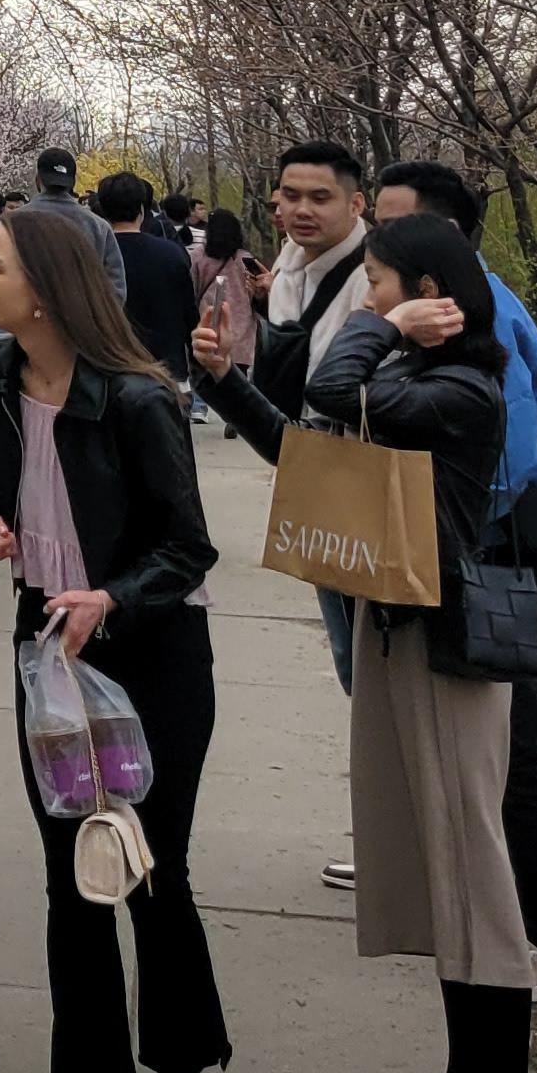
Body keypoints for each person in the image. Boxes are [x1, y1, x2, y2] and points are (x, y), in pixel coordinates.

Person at [0, 203, 228, 1073]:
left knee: (153, 869)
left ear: (46, 288)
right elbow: (11, 478)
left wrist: (112, 597)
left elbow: (187, 548)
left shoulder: (137, 397)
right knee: (71, 877)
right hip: (48, 649)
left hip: (150, 653)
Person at [297, 218, 537, 1073]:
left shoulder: (463, 387)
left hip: (450, 650)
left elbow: (333, 388)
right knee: (436, 867)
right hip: (404, 626)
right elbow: (314, 405)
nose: (367, 298)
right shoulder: (424, 377)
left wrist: (387, 328)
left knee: (472, 873)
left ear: (429, 292)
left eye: (378, 280)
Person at [375, 162, 537, 1004]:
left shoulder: (482, 313)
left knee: (516, 742)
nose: (377, 241)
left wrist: (442, 544)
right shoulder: (461, 304)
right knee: (520, 736)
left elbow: (501, 454)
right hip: (498, 540)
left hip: (508, 544)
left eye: (392, 225)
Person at [205, 141, 373, 861]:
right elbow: (288, 418)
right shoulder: (290, 274)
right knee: (354, 669)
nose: (301, 210)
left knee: (376, 677)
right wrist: (222, 374)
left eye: (320, 197)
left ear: (356, 204)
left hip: (369, 493)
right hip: (319, 480)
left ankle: (397, 847)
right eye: (290, 196)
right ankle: (387, 842)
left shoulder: (377, 280)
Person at [98, 172, 200, 387]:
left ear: (104, 211)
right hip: (168, 372)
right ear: (142, 210)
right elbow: (189, 313)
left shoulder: (93, 256)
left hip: (111, 374)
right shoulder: (172, 253)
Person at [31, 146, 130, 300]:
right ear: (73, 181)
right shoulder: (98, 226)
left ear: (38, 179)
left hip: (25, 313)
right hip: (84, 312)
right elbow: (116, 289)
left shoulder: (12, 223)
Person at [190, 207, 259, 380]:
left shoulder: (198, 257)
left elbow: (192, 290)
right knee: (238, 384)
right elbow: (256, 295)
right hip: (242, 335)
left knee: (209, 383)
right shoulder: (246, 259)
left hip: (209, 332)